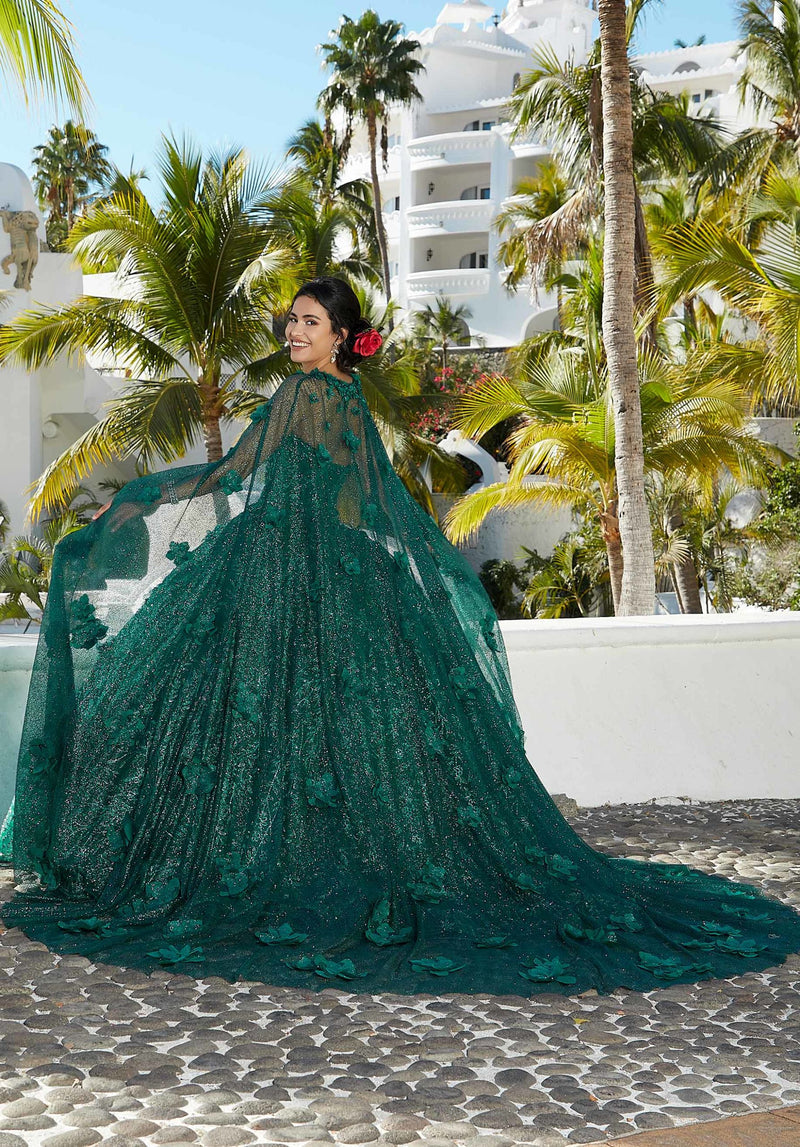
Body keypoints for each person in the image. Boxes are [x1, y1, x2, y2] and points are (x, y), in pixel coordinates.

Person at [3, 276, 799, 995]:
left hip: (275, 560)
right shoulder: (349, 396)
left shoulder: (301, 393)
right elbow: (361, 497)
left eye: (309, 323)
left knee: (205, 706)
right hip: (336, 562)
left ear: (341, 337)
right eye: (292, 322)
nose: (294, 332)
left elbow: (233, 473)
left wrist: (135, 501)